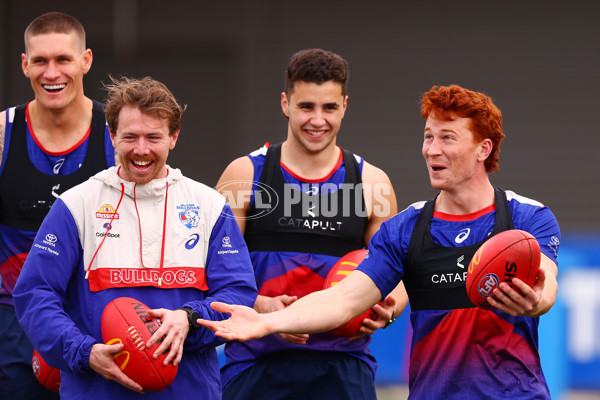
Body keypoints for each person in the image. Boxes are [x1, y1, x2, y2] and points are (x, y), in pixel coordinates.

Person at [200, 84, 561, 399]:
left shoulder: (526, 218)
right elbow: (342, 299)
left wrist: (534, 302)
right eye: (428, 136)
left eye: (447, 137)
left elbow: (546, 287)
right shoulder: (404, 228)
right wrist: (268, 323)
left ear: (483, 149)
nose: (431, 150)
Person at [13, 76, 258, 399]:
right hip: (97, 391)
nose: (141, 150)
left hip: (189, 391)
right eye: (130, 137)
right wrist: (84, 352)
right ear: (112, 135)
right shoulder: (75, 205)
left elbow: (238, 293)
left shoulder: (210, 206)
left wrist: (190, 320)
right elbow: (35, 294)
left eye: (153, 137)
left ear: (174, 137)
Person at [215, 48, 407, 400]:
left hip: (343, 363)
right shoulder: (244, 175)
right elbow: (212, 270)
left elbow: (394, 276)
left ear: (345, 105)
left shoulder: (372, 183)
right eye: (306, 107)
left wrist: (389, 309)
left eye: (329, 107)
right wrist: (262, 308)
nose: (318, 120)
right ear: (286, 103)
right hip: (255, 361)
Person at [0, 12, 117, 399]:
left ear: (85, 60)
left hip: (96, 319)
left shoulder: (117, 136)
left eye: (63, 59)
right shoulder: (3, 134)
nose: (52, 72)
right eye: (41, 61)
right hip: (12, 323)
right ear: (25, 64)